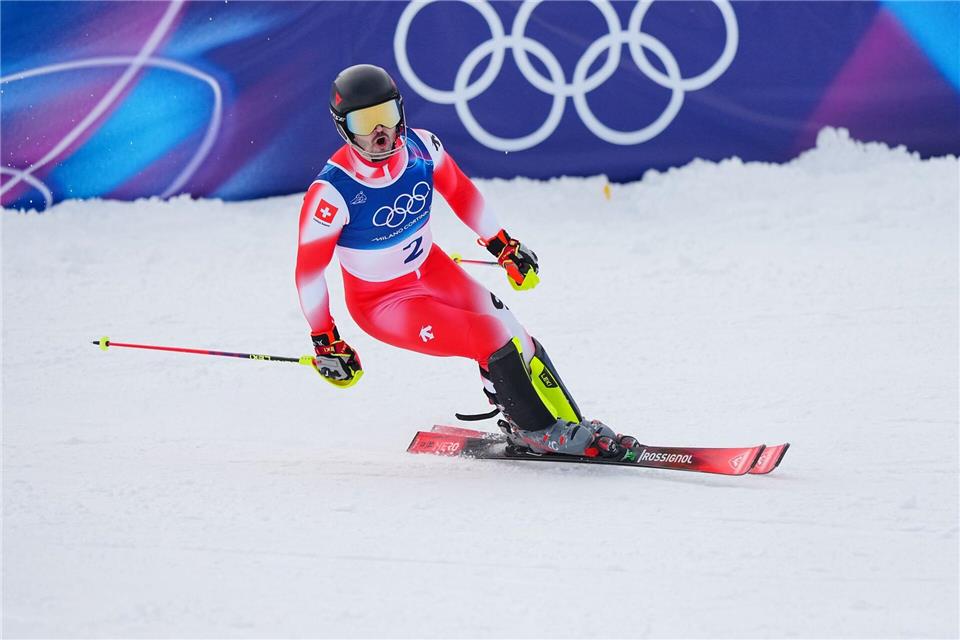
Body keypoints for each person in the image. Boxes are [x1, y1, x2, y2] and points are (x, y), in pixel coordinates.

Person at [295, 64, 635, 459]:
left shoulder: (423, 149)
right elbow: (308, 273)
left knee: (513, 332)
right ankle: (537, 432)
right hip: (383, 301)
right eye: (364, 123)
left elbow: (461, 193)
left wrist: (503, 246)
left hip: (431, 269)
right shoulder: (330, 194)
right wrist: (326, 340)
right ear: (344, 128)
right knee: (490, 336)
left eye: (386, 115)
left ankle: (566, 423)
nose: (380, 132)